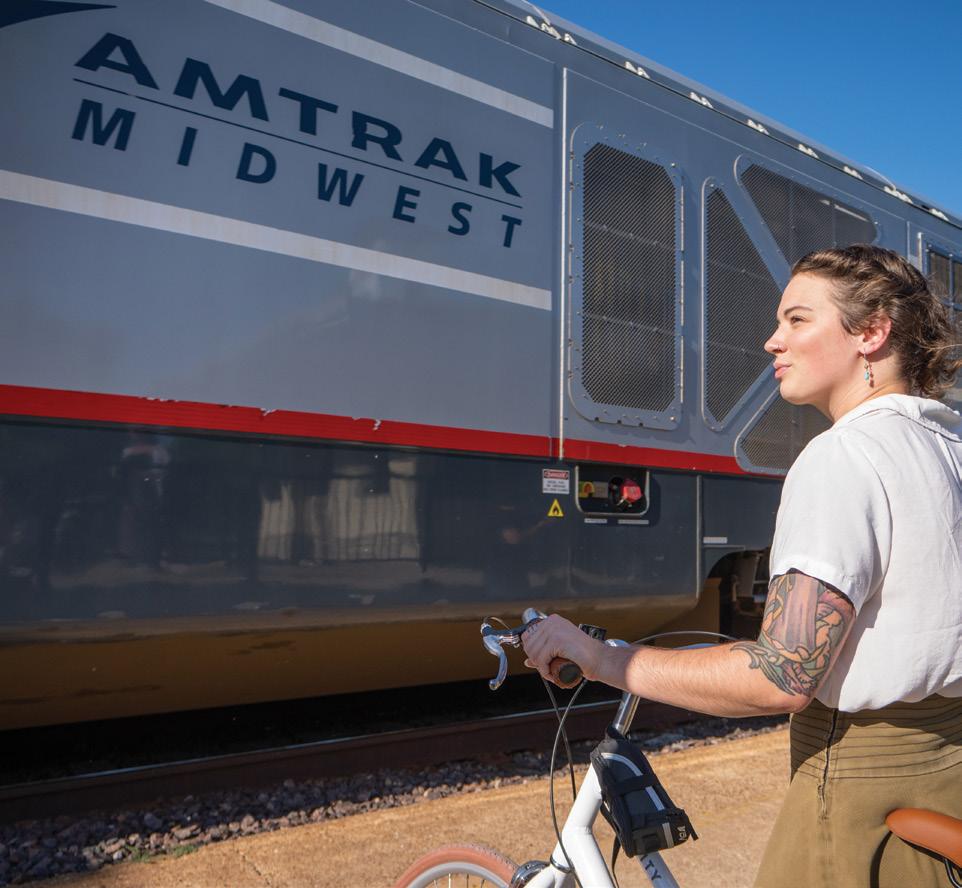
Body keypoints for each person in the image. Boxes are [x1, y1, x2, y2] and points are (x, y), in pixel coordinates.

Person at [522, 245, 962, 887]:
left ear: (871, 332)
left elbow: (783, 675)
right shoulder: (950, 448)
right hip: (946, 776)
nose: (771, 341)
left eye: (797, 319)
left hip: (862, 794)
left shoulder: (845, 456)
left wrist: (604, 659)